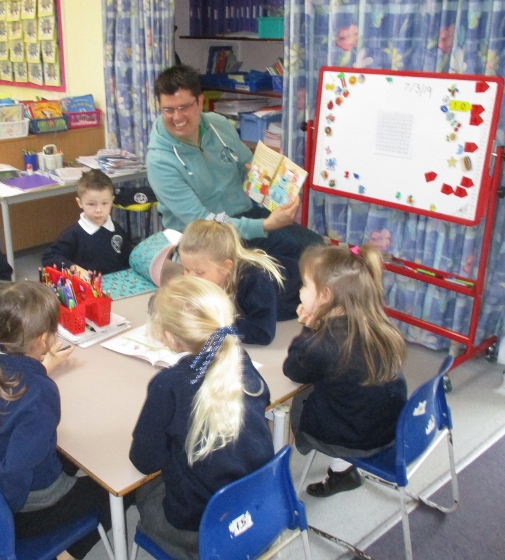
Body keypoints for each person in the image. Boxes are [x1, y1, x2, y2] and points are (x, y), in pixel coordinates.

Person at [0, 281, 113, 560]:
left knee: (63, 453)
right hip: (25, 507)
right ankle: (66, 553)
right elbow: (15, 473)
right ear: (43, 340)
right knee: (117, 492)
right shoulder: (39, 393)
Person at [130, 276, 274, 560]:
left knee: (142, 494)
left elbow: (144, 461)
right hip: (259, 507)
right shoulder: (240, 359)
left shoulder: (169, 385)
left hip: (201, 525)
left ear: (170, 337)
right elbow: (263, 400)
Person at [145, 64, 323, 265]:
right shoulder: (160, 161)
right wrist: (265, 225)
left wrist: (277, 185)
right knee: (273, 272)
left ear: (200, 102)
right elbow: (203, 220)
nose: (176, 117)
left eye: (183, 107)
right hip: (203, 237)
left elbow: (248, 166)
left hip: (244, 216)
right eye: (168, 110)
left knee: (315, 250)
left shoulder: (219, 124)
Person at [283, 244, 407, 497]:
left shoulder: (322, 346)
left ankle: (338, 469)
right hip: (390, 426)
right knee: (340, 388)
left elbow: (292, 369)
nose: (300, 291)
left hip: (353, 438)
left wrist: (309, 327)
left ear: (326, 296)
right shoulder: (378, 322)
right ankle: (343, 471)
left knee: (296, 398)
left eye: (305, 285)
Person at [178, 219, 300, 345]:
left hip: (302, 295)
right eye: (186, 269)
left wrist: (212, 325)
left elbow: (262, 332)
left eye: (199, 272)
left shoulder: (255, 281)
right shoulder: (207, 273)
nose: (190, 278)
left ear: (226, 267)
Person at [41, 170, 131, 276]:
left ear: (112, 201)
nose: (98, 210)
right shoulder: (73, 234)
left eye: (104, 203)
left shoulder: (117, 229)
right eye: (91, 204)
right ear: (80, 203)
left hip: (118, 282)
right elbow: (49, 257)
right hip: (89, 284)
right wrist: (73, 268)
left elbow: (129, 257)